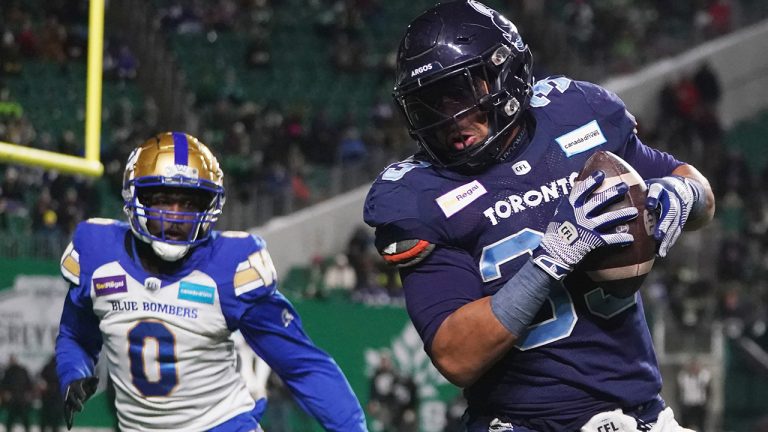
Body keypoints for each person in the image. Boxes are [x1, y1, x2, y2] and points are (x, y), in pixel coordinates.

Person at [363, 2, 716, 431]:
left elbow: (694, 188)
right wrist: (553, 258)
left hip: (638, 413)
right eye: (428, 105)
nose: (446, 118)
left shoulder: (575, 113)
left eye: (459, 92)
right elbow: (456, 356)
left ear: (504, 74)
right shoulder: (420, 195)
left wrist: (684, 193)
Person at [55, 132, 367, 432]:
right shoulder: (97, 252)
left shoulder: (229, 267)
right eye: (164, 200)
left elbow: (302, 365)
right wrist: (73, 370)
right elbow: (76, 332)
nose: (176, 216)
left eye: (189, 203)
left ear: (208, 206)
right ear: (136, 199)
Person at [676, 357, 711, 431]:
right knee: (685, 425)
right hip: (687, 404)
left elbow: (708, 388)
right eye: (692, 367)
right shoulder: (683, 376)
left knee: (701, 425)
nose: (694, 369)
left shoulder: (704, 375)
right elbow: (680, 389)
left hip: (699, 404)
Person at [1, 354, 34, 432]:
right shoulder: (7, 371)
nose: (12, 361)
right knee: (10, 420)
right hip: (12, 400)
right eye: (11, 359)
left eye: (13, 359)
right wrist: (5, 393)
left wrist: (28, 393)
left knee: (25, 420)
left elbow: (29, 383)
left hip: (21, 399)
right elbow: (3, 385)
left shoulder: (22, 370)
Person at [39, 355, 65, 432]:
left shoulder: (47, 368)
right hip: (57, 398)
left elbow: (41, 380)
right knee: (55, 423)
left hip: (47, 398)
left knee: (44, 422)